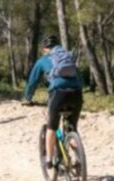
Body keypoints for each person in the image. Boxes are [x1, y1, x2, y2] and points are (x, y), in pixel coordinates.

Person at [22, 35, 83, 168]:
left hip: (58, 93)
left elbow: (32, 82)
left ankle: (49, 160)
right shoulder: (68, 58)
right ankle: (79, 160)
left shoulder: (43, 60)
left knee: (52, 127)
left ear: (44, 49)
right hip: (77, 94)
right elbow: (80, 79)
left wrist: (27, 98)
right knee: (72, 127)